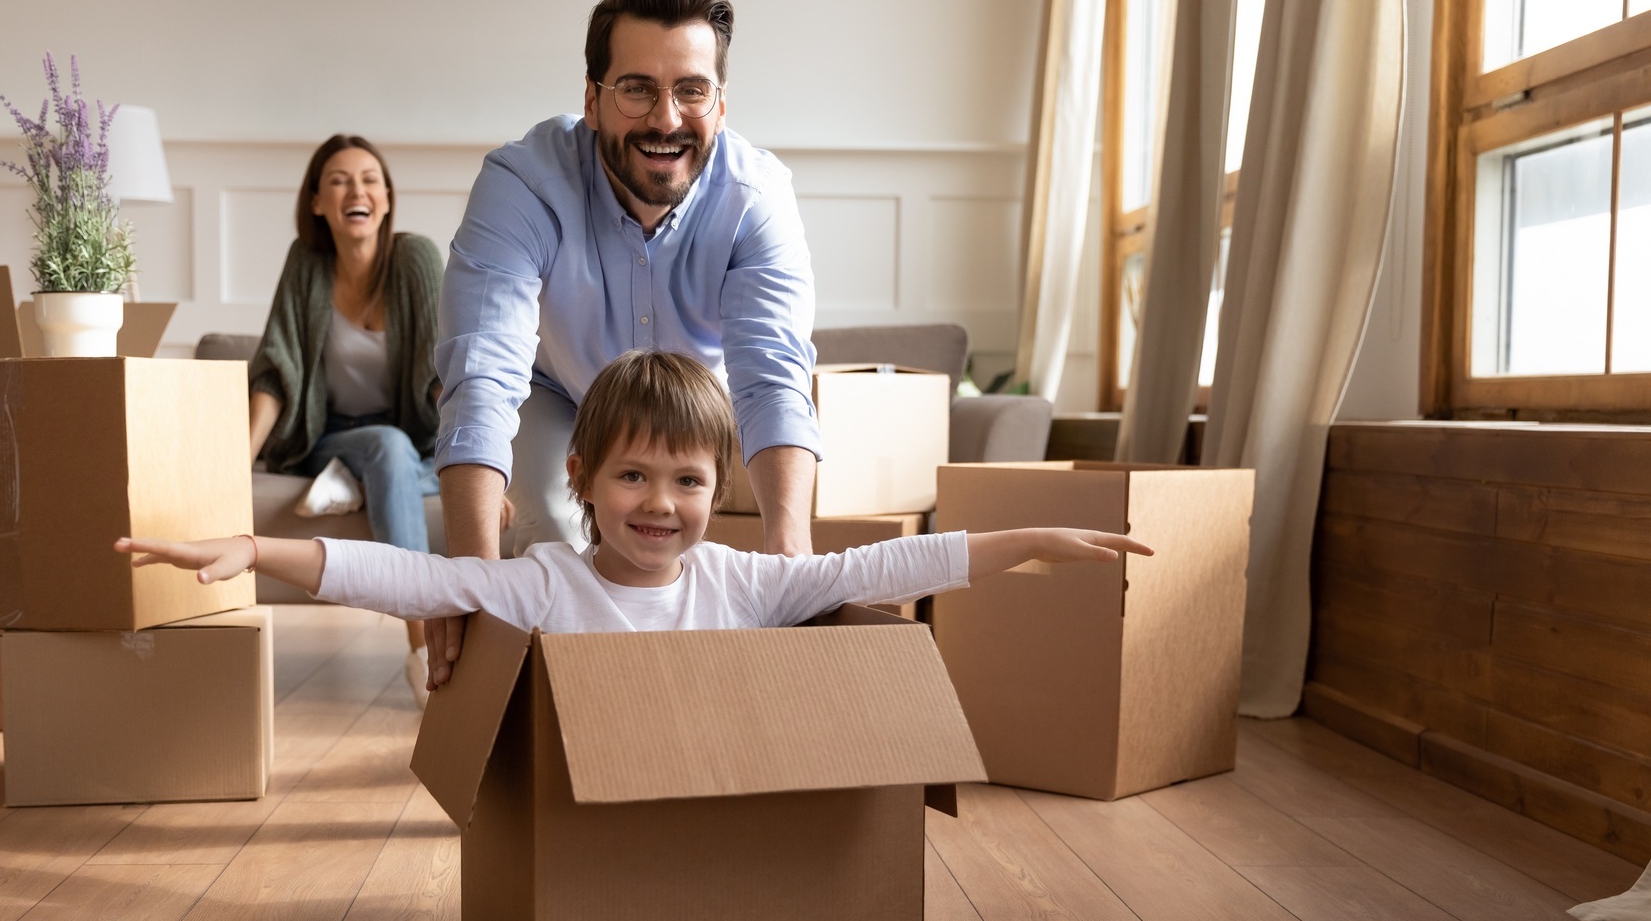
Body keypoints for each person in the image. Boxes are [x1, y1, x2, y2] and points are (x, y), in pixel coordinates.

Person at [118, 351, 1152, 634]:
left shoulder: (743, 586)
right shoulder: (544, 583)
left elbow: (885, 564)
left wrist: (1020, 537)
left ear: (721, 487)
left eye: (689, 480)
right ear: (582, 479)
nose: (661, 503)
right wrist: (259, 553)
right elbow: (404, 578)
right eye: (632, 476)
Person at [428, 0, 820, 682]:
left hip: (690, 400)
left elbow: (771, 378)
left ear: (721, 105)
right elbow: (483, 374)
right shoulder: (522, 184)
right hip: (555, 388)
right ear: (592, 100)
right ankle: (561, 713)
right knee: (548, 534)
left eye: (691, 90)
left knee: (669, 555)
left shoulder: (758, 200)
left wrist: (791, 558)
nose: (665, 118)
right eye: (637, 88)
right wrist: (468, 580)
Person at [247, 135, 443, 677]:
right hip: (328, 437)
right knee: (387, 448)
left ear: (385, 197)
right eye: (338, 180)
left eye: (368, 179)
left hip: (410, 438)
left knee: (393, 451)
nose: (355, 190)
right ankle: (426, 651)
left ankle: (368, 483)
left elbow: (440, 374)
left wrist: (480, 466)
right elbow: (277, 369)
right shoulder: (305, 263)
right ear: (316, 202)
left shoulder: (416, 259)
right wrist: (235, 462)